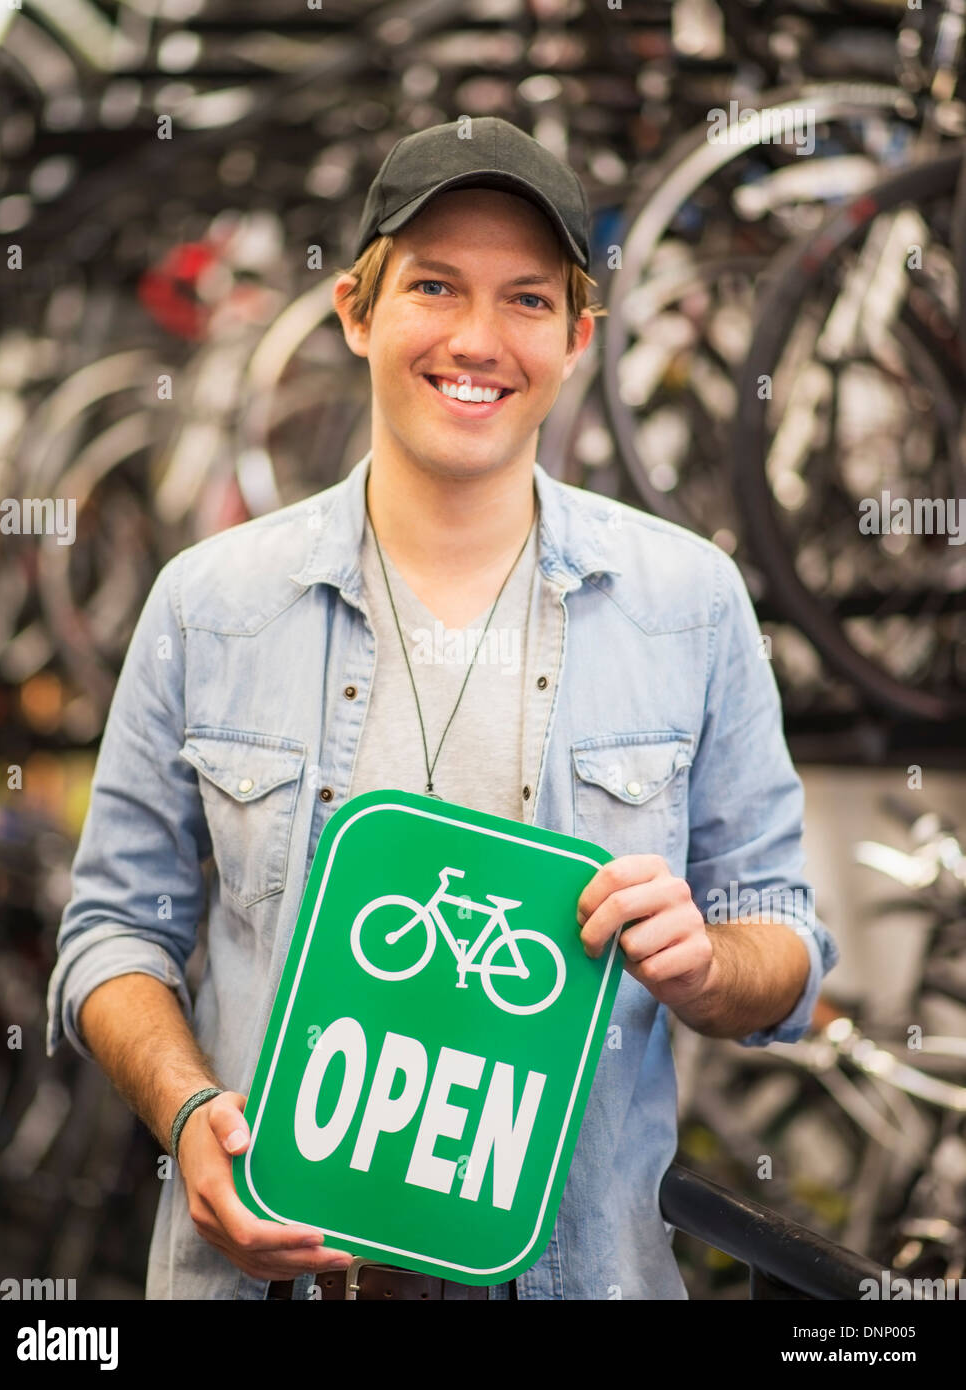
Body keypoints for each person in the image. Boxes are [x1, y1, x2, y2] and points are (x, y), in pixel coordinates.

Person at [46, 116, 839, 1301]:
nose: (477, 340)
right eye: (433, 286)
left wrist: (706, 963)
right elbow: (113, 933)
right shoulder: (208, 604)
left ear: (575, 339)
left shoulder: (690, 604)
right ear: (357, 313)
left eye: (526, 300)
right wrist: (187, 1107)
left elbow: (785, 939)